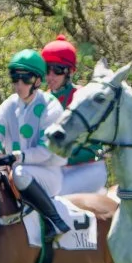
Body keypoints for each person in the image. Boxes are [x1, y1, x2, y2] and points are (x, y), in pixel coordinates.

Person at [0, 49, 72, 241]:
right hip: (14, 172)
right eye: (15, 78)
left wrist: (15, 156)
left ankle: (54, 220)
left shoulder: (51, 107)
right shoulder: (7, 106)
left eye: (25, 79)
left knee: (20, 172)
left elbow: (45, 152)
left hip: (47, 174)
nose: (19, 84)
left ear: (38, 81)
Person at [41, 35, 107, 195]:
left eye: (56, 70)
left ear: (69, 71)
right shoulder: (41, 101)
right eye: (46, 69)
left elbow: (96, 147)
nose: (50, 76)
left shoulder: (83, 98)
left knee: (52, 193)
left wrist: (56, 159)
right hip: (58, 170)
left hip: (88, 169)